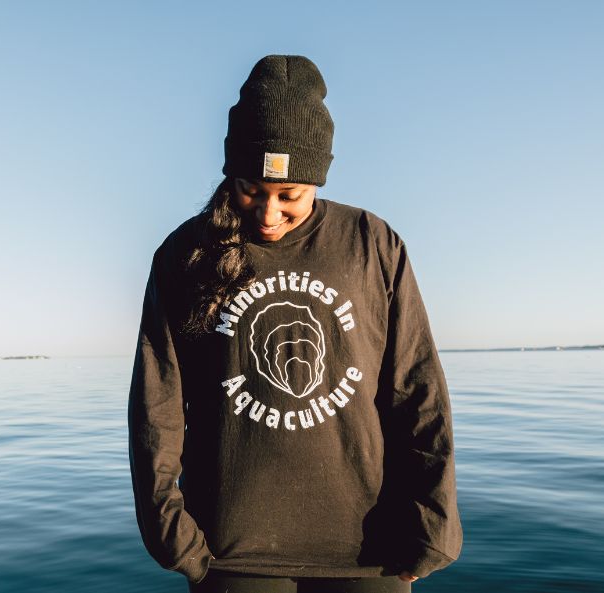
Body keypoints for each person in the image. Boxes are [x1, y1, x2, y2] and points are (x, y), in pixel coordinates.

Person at [128, 55, 461, 593]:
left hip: (372, 550)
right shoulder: (185, 254)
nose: (267, 213)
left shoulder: (372, 244)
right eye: (250, 190)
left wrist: (433, 528)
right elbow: (156, 406)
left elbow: (418, 392)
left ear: (318, 180)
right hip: (230, 553)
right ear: (229, 174)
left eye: (290, 196)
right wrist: (174, 539)